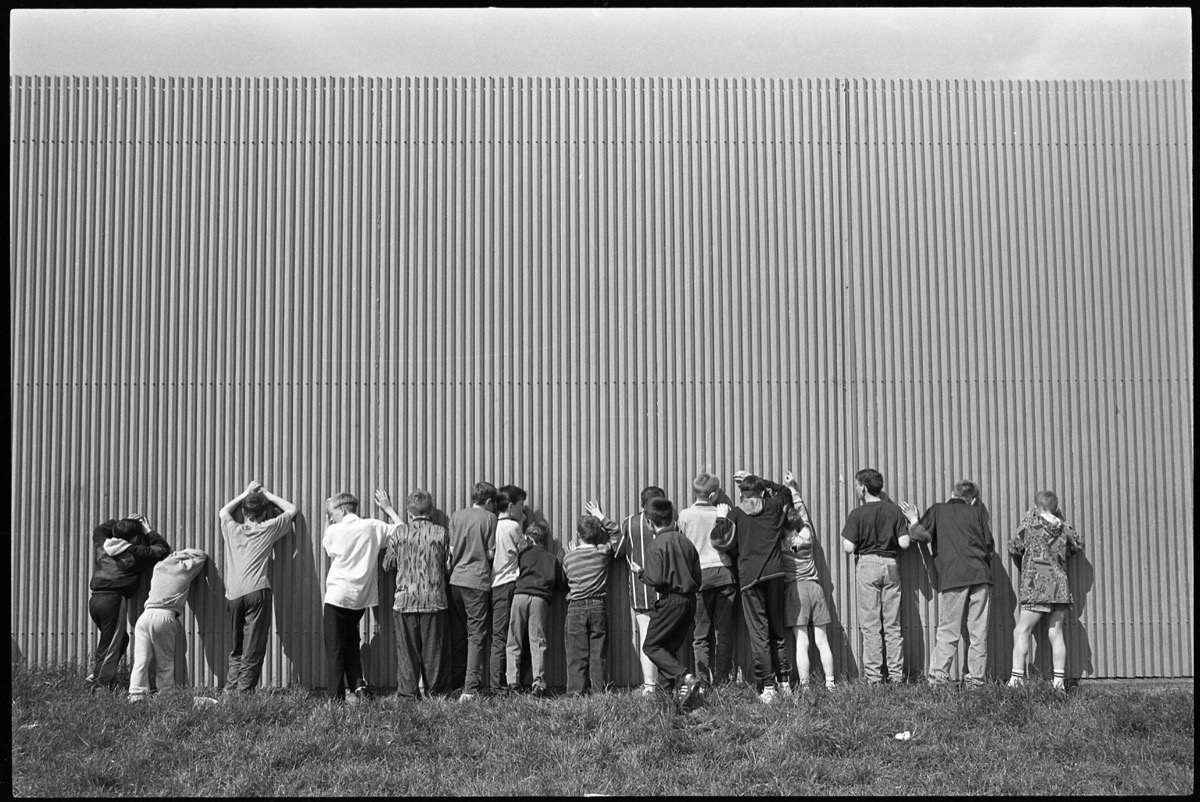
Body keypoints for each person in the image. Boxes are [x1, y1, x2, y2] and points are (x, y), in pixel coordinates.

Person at [899, 480, 994, 687]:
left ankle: (938, 680)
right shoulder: (977, 514)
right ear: (974, 499)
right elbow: (989, 547)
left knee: (949, 630)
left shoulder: (938, 510)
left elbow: (919, 535)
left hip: (954, 577)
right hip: (981, 577)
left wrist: (914, 520)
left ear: (952, 493)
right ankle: (976, 682)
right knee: (978, 632)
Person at [711, 471, 795, 702]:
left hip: (750, 579)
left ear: (740, 493)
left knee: (760, 634)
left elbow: (718, 540)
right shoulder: (774, 507)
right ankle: (784, 682)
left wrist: (721, 517)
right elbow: (785, 491)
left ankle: (767, 687)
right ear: (761, 491)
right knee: (777, 630)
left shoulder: (736, 514)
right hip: (776, 574)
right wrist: (759, 480)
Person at [218, 480, 299, 694]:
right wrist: (268, 494)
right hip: (257, 590)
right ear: (264, 514)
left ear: (243, 512)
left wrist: (245, 493)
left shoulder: (231, 528)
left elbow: (223, 511)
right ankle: (243, 694)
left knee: (237, 646)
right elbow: (292, 510)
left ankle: (230, 690)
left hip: (233, 594)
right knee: (253, 646)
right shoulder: (267, 528)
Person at [321, 491, 399, 703]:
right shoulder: (373, 526)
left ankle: (336, 699)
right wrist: (388, 508)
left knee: (335, 647)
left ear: (343, 510)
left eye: (333, 512)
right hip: (360, 598)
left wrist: (328, 521)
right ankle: (358, 687)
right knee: (351, 641)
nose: (331, 517)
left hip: (337, 595)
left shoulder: (334, 530)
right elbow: (402, 530)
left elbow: (327, 547)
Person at [840, 468, 913, 685]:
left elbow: (847, 547)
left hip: (868, 564)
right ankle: (897, 676)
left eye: (856, 485)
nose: (855, 489)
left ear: (863, 487)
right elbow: (904, 543)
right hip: (891, 564)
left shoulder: (857, 514)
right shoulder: (894, 511)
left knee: (871, 624)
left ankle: (873, 678)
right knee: (892, 624)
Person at [377, 489, 452, 699]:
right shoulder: (441, 533)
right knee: (434, 652)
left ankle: (408, 696)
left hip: (405, 601)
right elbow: (448, 567)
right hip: (435, 600)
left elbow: (387, 564)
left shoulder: (399, 533)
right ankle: (435, 694)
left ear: (409, 513)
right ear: (430, 511)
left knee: (407, 653)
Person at [628, 497, 702, 707]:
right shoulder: (686, 542)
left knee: (651, 646)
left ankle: (684, 677)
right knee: (667, 649)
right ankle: (670, 700)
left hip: (671, 601)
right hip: (690, 602)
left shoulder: (656, 545)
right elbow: (697, 576)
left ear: (650, 523)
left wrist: (640, 572)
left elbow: (655, 579)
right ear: (673, 518)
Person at [1007, 490, 1084, 691]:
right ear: (1056, 507)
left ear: (1035, 507)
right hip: (1060, 587)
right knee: (1056, 633)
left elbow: (1014, 548)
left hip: (1036, 586)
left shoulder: (1029, 525)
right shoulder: (1065, 528)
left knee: (1022, 630)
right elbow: (1077, 546)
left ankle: (1016, 680)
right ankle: (1058, 683)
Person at [87, 514, 171, 691]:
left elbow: (99, 529)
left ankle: (102, 677)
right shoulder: (135, 553)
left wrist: (121, 523)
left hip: (95, 600)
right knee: (109, 645)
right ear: (135, 537)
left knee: (119, 640)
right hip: (114, 601)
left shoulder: (103, 545)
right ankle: (99, 685)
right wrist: (147, 530)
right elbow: (162, 549)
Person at [677, 473, 737, 686]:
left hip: (700, 578)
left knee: (700, 634)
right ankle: (722, 680)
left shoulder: (684, 516)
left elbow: (682, 547)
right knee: (724, 632)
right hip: (724, 575)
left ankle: (702, 683)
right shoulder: (724, 514)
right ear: (713, 494)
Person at [128, 548, 209, 701]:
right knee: (165, 660)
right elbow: (201, 556)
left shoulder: (158, 567)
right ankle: (166, 695)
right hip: (164, 616)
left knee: (141, 659)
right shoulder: (183, 569)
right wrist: (183, 553)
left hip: (145, 616)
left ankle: (136, 694)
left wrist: (173, 554)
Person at [607, 486, 667, 695]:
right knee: (665, 638)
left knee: (645, 637)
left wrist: (607, 525)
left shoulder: (630, 522)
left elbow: (618, 550)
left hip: (641, 590)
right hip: (667, 590)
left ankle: (650, 685)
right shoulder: (671, 522)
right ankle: (666, 683)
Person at [781, 472, 836, 689]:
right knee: (822, 641)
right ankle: (830, 684)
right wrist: (793, 490)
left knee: (801, 641)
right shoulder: (807, 537)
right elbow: (803, 515)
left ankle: (805, 686)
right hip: (815, 588)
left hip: (795, 590)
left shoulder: (782, 544)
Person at [447, 481, 498, 701]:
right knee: (476, 635)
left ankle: (457, 683)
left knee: (458, 633)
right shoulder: (489, 518)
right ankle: (470, 689)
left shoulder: (456, 516)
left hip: (455, 580)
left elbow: (450, 551)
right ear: (488, 501)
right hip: (477, 581)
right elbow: (489, 552)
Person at [563, 504, 622, 695]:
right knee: (598, 652)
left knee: (576, 653)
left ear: (578, 535)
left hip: (575, 607)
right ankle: (598, 691)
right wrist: (600, 516)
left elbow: (567, 576)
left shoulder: (569, 557)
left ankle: (575, 692)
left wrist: (572, 552)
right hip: (597, 606)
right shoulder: (602, 552)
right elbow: (617, 535)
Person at [506, 522, 566, 697]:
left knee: (514, 641)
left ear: (530, 538)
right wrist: (559, 561)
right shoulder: (551, 558)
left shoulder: (523, 554)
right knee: (537, 642)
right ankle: (538, 684)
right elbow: (561, 585)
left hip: (520, 596)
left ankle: (513, 684)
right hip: (540, 599)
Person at [490, 488, 525, 694]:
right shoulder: (512, 526)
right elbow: (523, 549)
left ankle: (498, 682)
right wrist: (521, 522)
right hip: (509, 583)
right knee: (505, 635)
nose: (523, 509)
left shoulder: (491, 523)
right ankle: (499, 685)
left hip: (494, 584)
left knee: (498, 634)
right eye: (521, 505)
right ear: (511, 506)